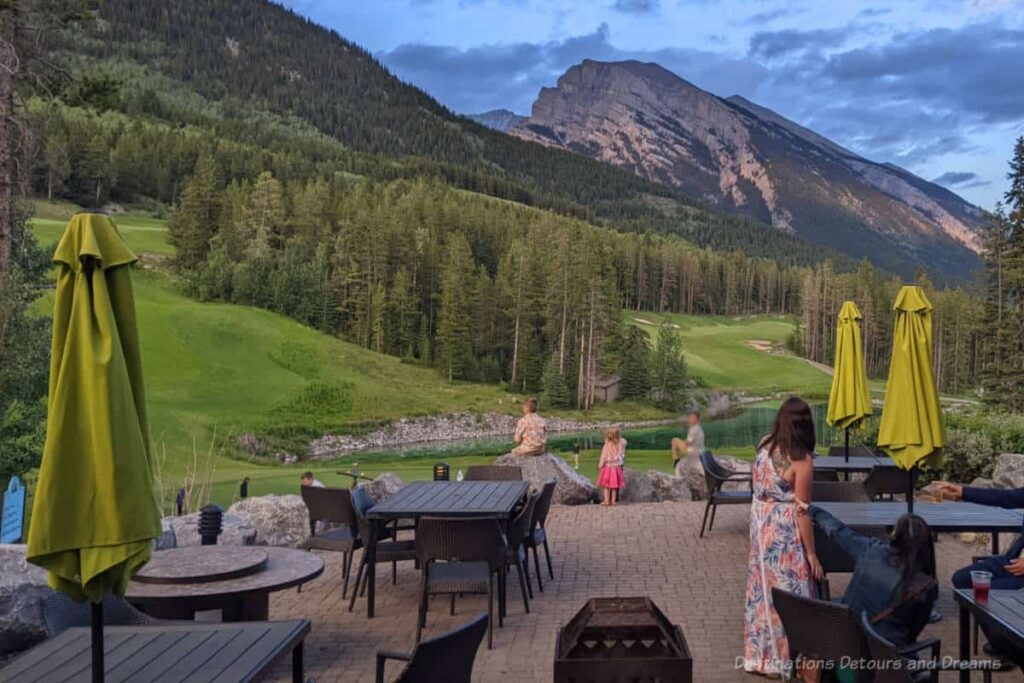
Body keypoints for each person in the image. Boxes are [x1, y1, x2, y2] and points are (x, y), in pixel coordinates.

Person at [743, 397, 822, 680]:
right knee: (792, 591)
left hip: (760, 523)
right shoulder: (801, 461)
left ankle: (760, 656)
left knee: (762, 591)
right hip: (783, 532)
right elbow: (803, 511)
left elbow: (758, 485)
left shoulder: (765, 445)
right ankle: (789, 659)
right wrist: (811, 554)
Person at [797, 500, 938, 647]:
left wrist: (812, 510)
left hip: (844, 645)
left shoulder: (871, 550)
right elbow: (913, 631)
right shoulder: (926, 585)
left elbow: (837, 530)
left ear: (895, 536)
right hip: (885, 655)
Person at [597, 428, 627, 506]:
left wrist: (600, 465)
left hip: (607, 467)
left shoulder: (607, 445)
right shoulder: (620, 444)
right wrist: (618, 437)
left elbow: (603, 456)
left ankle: (606, 501)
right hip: (616, 468)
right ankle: (613, 501)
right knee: (614, 486)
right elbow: (624, 441)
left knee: (606, 486)